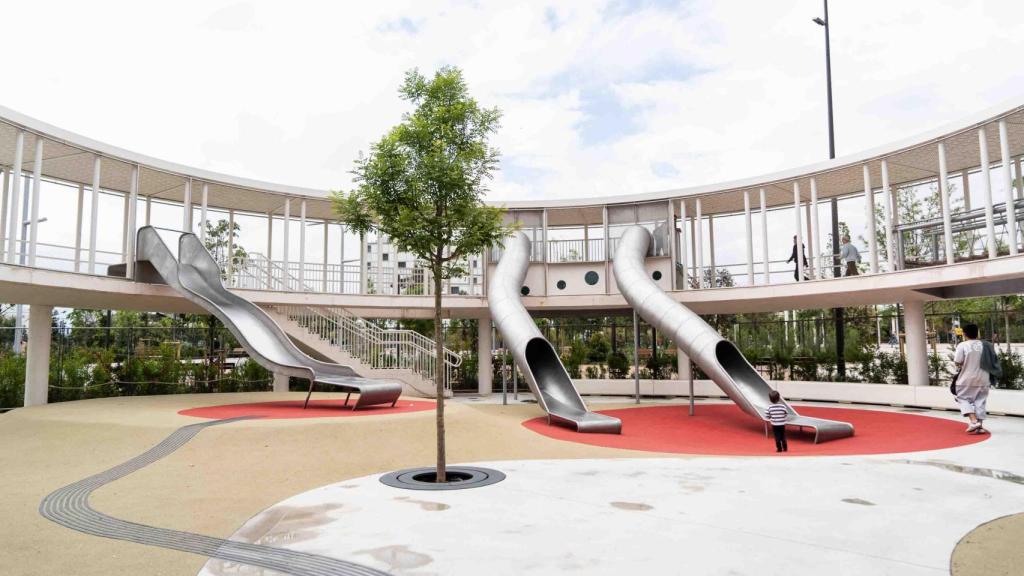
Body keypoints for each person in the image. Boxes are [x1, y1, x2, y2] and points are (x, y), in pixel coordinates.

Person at [953, 323, 1000, 434]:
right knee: (980, 401)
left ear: (964, 333)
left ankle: (974, 422)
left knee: (962, 398)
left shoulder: (963, 345)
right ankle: (980, 427)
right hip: (984, 378)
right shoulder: (986, 345)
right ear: (977, 332)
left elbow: (957, 361)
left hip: (967, 378)